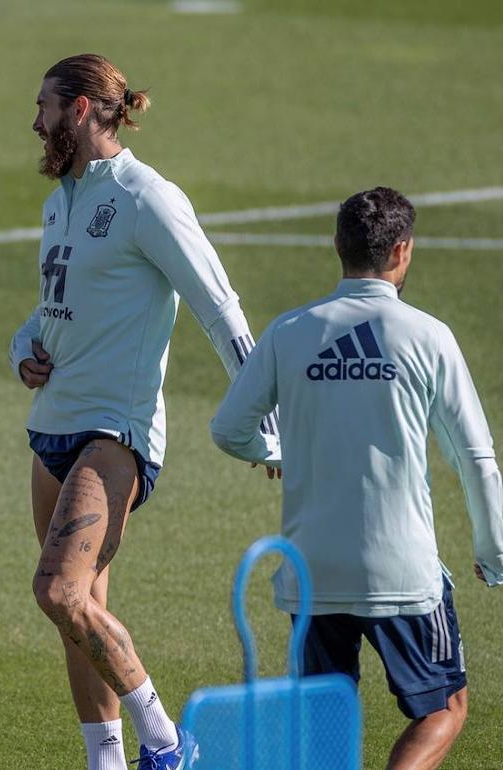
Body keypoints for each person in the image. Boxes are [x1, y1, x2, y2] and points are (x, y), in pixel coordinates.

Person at [9, 53, 279, 770]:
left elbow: (218, 305)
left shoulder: (147, 197)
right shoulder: (59, 198)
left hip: (114, 434)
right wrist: (23, 348)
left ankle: (167, 744)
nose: (34, 123)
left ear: (83, 109)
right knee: (78, 617)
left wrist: (267, 421)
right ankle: (108, 765)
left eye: (44, 107)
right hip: (53, 425)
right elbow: (53, 311)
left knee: (57, 590)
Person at [211, 187, 502, 770]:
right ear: (401, 251)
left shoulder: (290, 331)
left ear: (337, 246)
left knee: (323, 730)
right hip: (402, 573)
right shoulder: (427, 335)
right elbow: (475, 458)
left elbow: (228, 430)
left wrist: (278, 453)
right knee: (445, 707)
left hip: (311, 573)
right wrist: (493, 552)